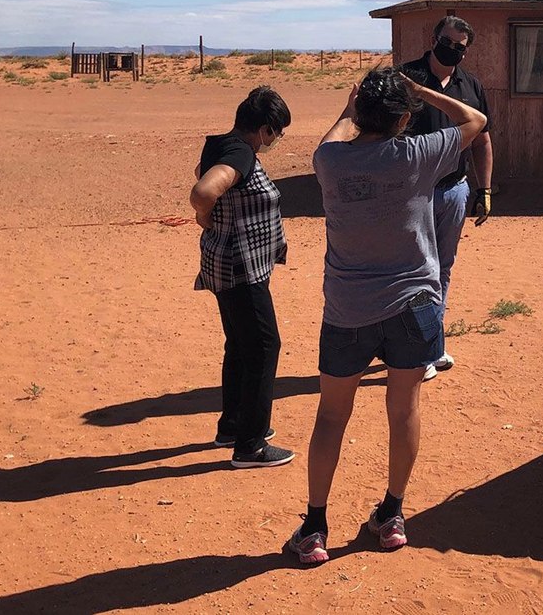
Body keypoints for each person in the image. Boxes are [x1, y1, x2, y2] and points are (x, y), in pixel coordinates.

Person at [285, 67, 487, 564]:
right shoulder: (417, 154)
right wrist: (421, 92)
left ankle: (314, 528)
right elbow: (476, 120)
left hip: (348, 309)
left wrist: (346, 111)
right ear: (403, 119)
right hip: (415, 305)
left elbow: (334, 137)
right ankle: (392, 514)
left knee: (332, 416)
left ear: (361, 115)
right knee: (405, 409)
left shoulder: (329, 161)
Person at [190, 85, 295, 469]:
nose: (276, 140)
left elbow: (202, 172)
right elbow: (204, 189)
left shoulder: (221, 144)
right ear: (264, 129)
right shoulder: (239, 152)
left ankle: (233, 426)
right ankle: (250, 445)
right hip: (240, 266)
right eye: (277, 133)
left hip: (226, 263)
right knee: (265, 346)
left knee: (240, 344)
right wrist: (205, 216)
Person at [399, 15, 493, 380]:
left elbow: (483, 139)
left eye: (460, 47)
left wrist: (483, 189)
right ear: (433, 37)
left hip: (454, 190)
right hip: (411, 193)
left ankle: (431, 346)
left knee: (443, 268)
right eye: (447, 42)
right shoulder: (406, 79)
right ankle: (410, 351)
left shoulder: (471, 86)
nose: (452, 50)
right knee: (413, 269)